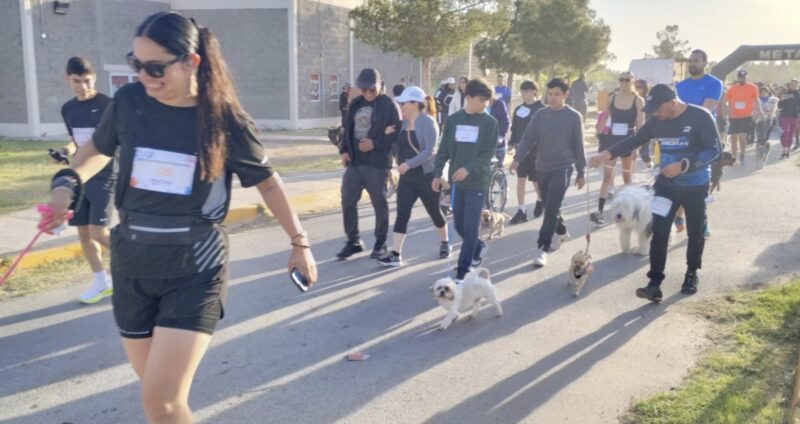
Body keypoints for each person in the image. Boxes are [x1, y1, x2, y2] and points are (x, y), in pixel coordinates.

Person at [39, 12, 318, 423]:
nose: (144, 77)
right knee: (159, 399)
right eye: (136, 65)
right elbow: (95, 151)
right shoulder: (130, 103)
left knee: (162, 401)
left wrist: (300, 242)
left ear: (192, 62)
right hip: (133, 264)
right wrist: (66, 187)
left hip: (195, 268)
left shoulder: (224, 119)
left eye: (155, 68)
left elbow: (268, 183)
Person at [589, 84, 721, 303]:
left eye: (657, 108)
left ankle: (691, 275)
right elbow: (634, 140)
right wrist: (605, 155)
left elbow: (715, 150)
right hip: (665, 186)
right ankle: (654, 284)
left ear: (671, 102)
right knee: (659, 232)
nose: (654, 114)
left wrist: (683, 165)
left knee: (695, 233)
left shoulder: (700, 116)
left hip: (694, 186)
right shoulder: (656, 122)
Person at [56, 57, 115, 304]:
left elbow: (113, 142)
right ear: (68, 80)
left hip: (105, 174)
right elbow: (76, 141)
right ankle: (102, 282)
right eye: (76, 81)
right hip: (80, 177)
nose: (82, 86)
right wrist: (65, 151)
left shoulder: (108, 105)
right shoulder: (68, 109)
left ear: (95, 79)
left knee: (99, 232)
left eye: (87, 80)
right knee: (83, 233)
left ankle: (139, 264)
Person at [510, 78, 586, 267]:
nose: (552, 98)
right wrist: (517, 158)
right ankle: (561, 232)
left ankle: (542, 249)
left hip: (563, 167)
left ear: (565, 95)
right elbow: (528, 138)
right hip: (541, 167)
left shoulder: (573, 117)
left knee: (550, 210)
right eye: (550, 94)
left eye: (557, 94)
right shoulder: (540, 115)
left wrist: (581, 170)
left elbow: (579, 144)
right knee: (550, 206)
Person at [432, 78, 497, 282]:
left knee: (470, 227)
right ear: (468, 98)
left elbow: (487, 154)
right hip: (456, 182)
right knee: (460, 225)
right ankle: (477, 246)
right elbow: (443, 151)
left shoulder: (490, 123)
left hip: (477, 182)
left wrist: (469, 168)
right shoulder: (453, 120)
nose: (485, 104)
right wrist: (436, 174)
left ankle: (463, 270)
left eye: (487, 100)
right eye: (481, 100)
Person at [378, 86, 450, 266]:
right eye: (400, 103)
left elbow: (430, 151)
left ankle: (445, 243)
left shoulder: (429, 122)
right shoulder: (401, 124)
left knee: (435, 213)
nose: (401, 106)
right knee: (402, 214)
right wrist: (385, 133)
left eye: (404, 103)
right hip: (407, 179)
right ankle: (396, 254)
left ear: (416, 104)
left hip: (426, 177)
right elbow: (392, 143)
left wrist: (408, 164)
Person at [337, 68, 402, 259]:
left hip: (377, 164)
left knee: (379, 204)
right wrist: (345, 151)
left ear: (381, 85)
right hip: (355, 163)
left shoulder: (389, 105)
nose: (368, 94)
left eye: (372, 89)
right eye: (364, 90)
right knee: (347, 200)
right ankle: (353, 241)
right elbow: (347, 129)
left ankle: (380, 243)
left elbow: (397, 133)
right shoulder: (356, 104)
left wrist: (376, 143)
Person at [674, 49, 723, 238]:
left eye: (696, 60)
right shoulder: (680, 86)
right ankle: (678, 215)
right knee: (678, 179)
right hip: (680, 139)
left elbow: (706, 110)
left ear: (705, 63)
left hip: (703, 139)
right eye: (690, 60)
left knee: (700, 183)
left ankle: (701, 223)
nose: (692, 63)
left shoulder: (714, 83)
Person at [590, 71, 644, 226]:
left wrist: (637, 145)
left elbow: (641, 125)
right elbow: (605, 116)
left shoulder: (638, 100)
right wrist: (598, 133)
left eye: (627, 79)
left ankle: (630, 210)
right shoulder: (611, 97)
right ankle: (599, 213)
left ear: (633, 81)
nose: (624, 82)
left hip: (628, 139)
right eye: (622, 79)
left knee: (627, 177)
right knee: (608, 176)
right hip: (611, 141)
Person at [508, 80, 546, 225]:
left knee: (535, 180)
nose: (523, 94)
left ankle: (540, 199)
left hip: (537, 151)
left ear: (534, 92)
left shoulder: (542, 109)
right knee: (521, 178)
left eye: (526, 91)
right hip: (521, 150)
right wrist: (512, 142)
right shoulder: (519, 109)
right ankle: (521, 210)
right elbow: (515, 128)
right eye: (522, 91)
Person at [725, 69, 759, 164]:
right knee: (734, 138)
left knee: (743, 138)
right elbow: (726, 101)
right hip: (734, 116)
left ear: (746, 77)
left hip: (746, 116)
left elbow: (756, 101)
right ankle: (734, 157)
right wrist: (727, 110)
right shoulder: (732, 88)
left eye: (744, 77)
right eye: (740, 77)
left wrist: (758, 112)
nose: (742, 79)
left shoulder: (752, 87)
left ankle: (742, 154)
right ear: (738, 78)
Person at [778, 80, 800, 159]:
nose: (793, 86)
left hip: (795, 116)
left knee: (791, 134)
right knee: (785, 132)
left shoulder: (798, 94)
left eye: (795, 85)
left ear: (797, 86)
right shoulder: (785, 93)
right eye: (792, 84)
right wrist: (781, 99)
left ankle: (787, 151)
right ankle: (783, 149)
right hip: (785, 116)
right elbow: (779, 106)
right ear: (789, 85)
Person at [488, 92, 510, 167]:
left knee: (498, 169)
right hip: (484, 145)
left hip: (498, 144)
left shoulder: (500, 104)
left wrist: (500, 136)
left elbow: (505, 122)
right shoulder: (481, 105)